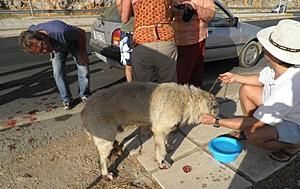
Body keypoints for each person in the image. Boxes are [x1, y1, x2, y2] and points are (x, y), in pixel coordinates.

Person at [201, 19, 300, 162]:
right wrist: (235, 77)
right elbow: (261, 78)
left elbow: (255, 122)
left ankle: (293, 147)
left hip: (293, 123)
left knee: (254, 136)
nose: (263, 48)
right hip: (278, 110)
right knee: (246, 89)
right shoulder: (280, 67)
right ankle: (251, 126)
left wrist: (216, 121)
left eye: (267, 46)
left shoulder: (289, 88)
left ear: (274, 54)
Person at [19, 20, 90, 110]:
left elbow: (81, 33)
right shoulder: (31, 33)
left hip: (73, 43)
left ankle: (84, 94)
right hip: (57, 48)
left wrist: (82, 51)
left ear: (41, 35)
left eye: (42, 46)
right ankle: (67, 99)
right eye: (40, 52)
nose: (45, 51)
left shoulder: (61, 31)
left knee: (84, 68)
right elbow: (31, 26)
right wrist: (47, 48)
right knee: (57, 72)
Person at [121, 0, 178, 83]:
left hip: (142, 40)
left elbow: (124, 18)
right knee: (168, 87)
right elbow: (173, 9)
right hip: (165, 37)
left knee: (143, 86)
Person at [172, 0, 215, 88]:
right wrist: (173, 9)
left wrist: (196, 7)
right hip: (173, 39)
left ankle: (194, 96)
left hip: (197, 39)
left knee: (195, 75)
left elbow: (211, 13)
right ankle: (179, 96)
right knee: (177, 76)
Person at [116, 0, 134, 82]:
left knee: (140, 64)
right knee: (129, 64)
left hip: (138, 29)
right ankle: (132, 89)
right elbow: (123, 16)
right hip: (128, 30)